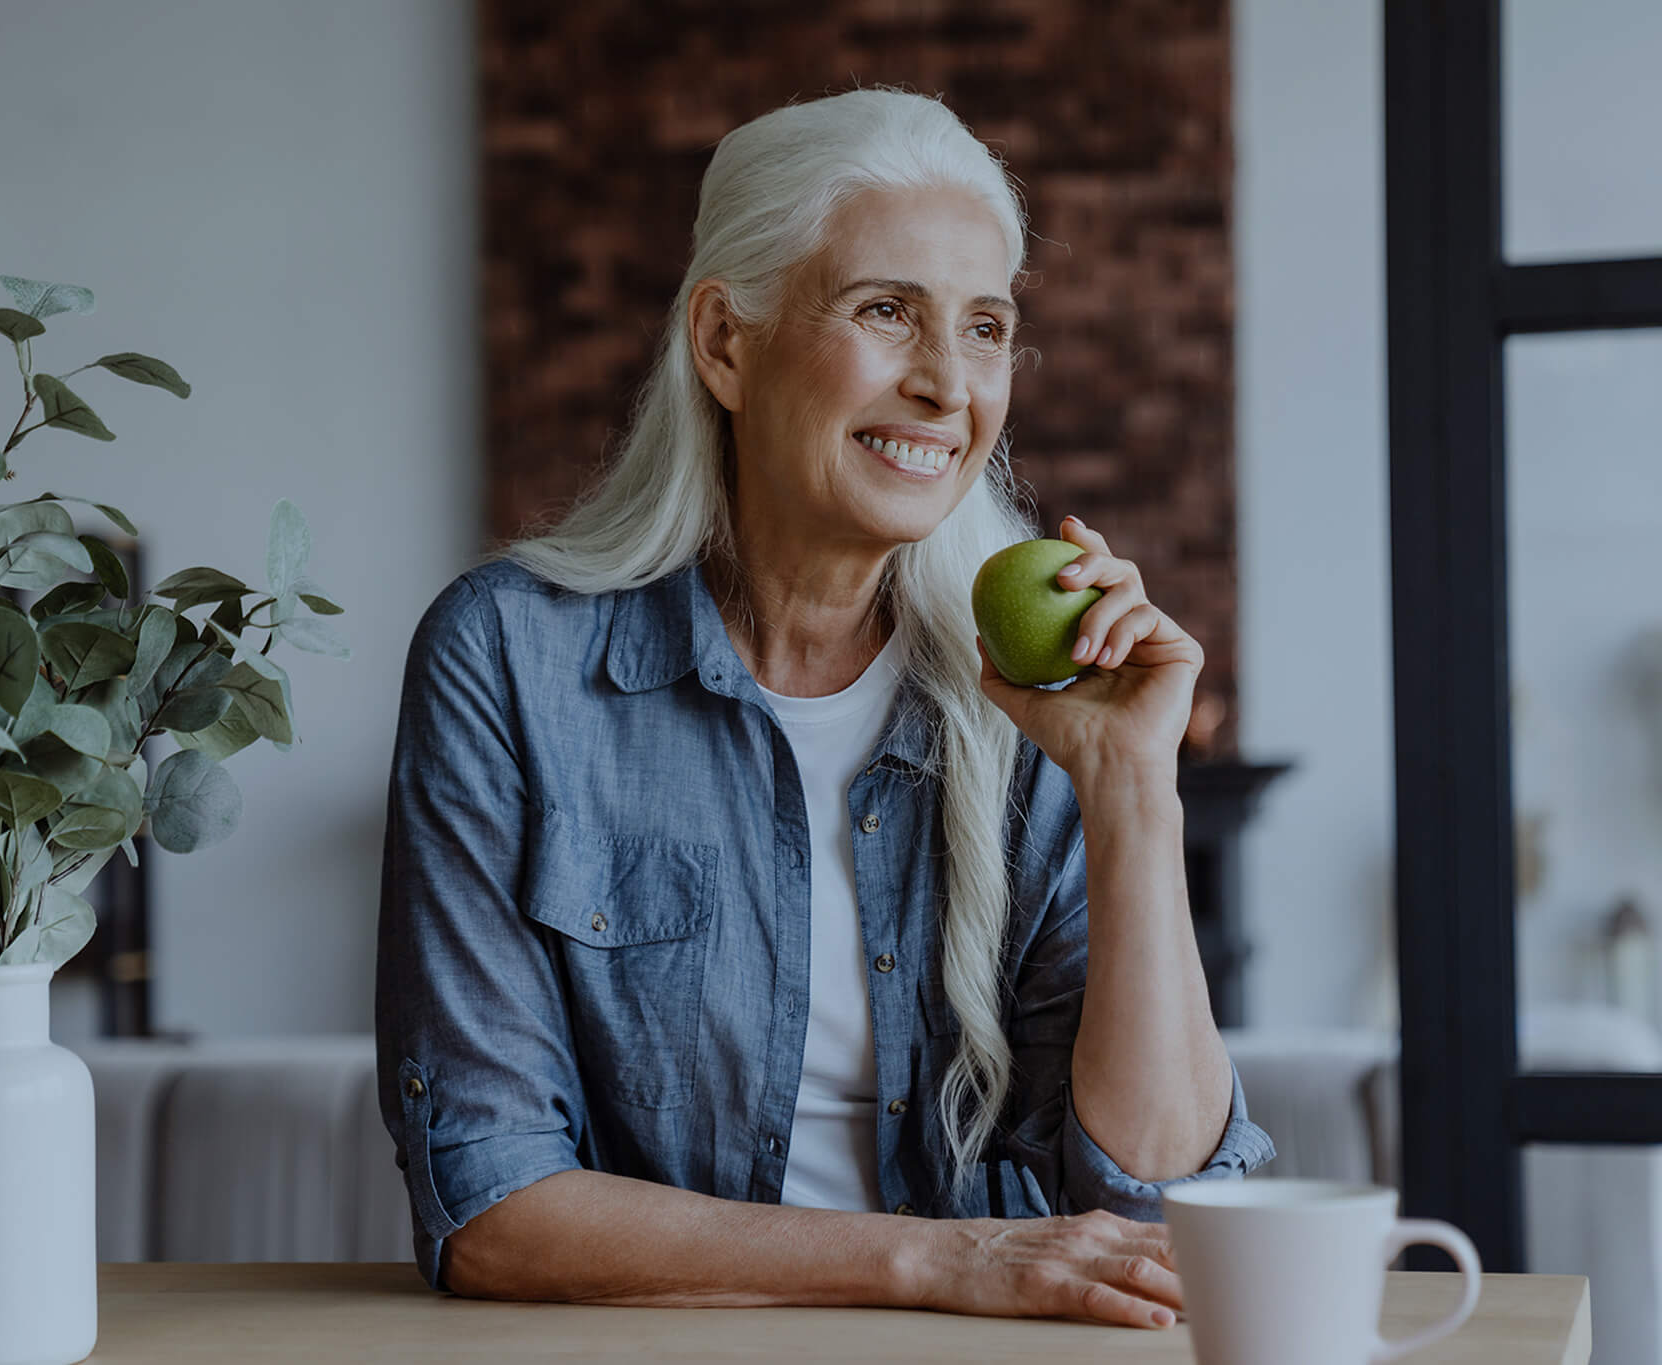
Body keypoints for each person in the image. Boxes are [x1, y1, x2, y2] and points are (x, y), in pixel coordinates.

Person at [374, 85, 1274, 1332]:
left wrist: (1129, 785)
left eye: (984, 327)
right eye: (884, 311)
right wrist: (938, 1262)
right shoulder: (510, 661)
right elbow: (489, 1204)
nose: (944, 385)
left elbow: (1166, 1206)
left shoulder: (1039, 690)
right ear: (723, 344)